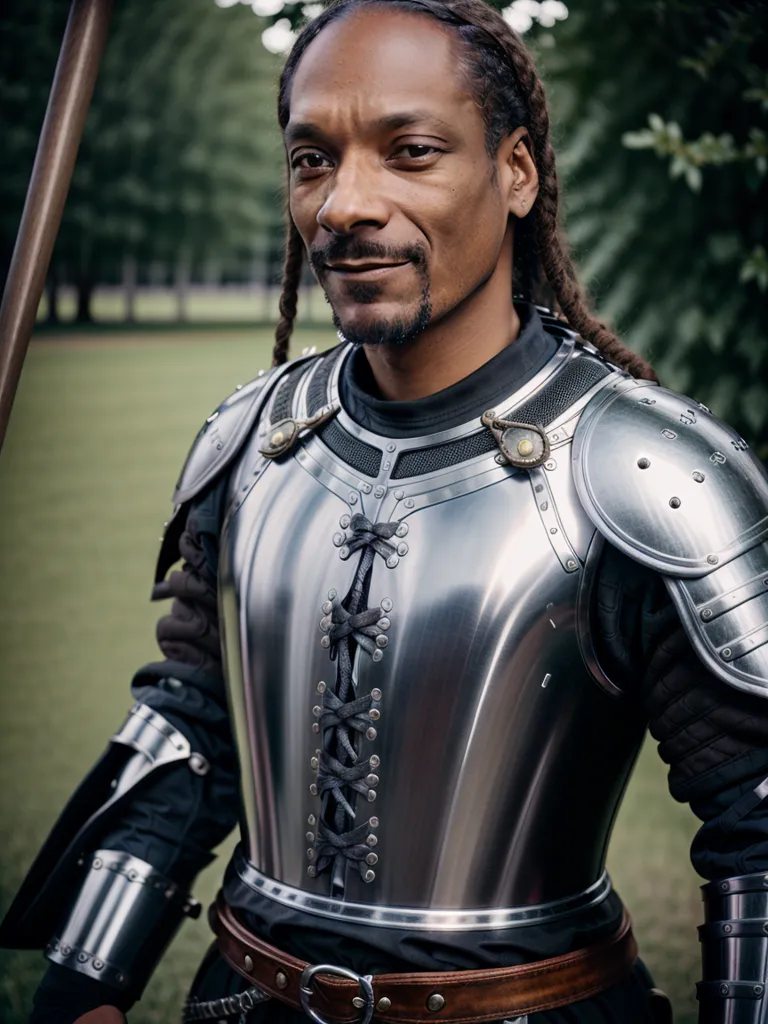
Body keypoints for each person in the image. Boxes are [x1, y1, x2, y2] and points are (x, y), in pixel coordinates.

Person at [3, 1, 768, 1022]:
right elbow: (191, 724)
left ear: (517, 174)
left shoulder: (643, 472)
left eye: (409, 151)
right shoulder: (254, 444)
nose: (343, 204)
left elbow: (758, 820)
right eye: (311, 159)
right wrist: (84, 983)